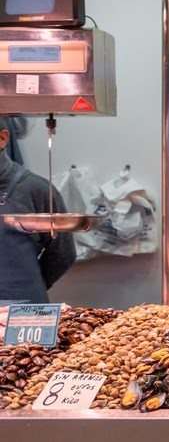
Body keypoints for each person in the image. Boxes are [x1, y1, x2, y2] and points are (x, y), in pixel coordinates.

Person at [0, 118, 76, 303]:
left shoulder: (36, 189)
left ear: (2, 138)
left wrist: (27, 284)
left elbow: (63, 253)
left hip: (24, 312)